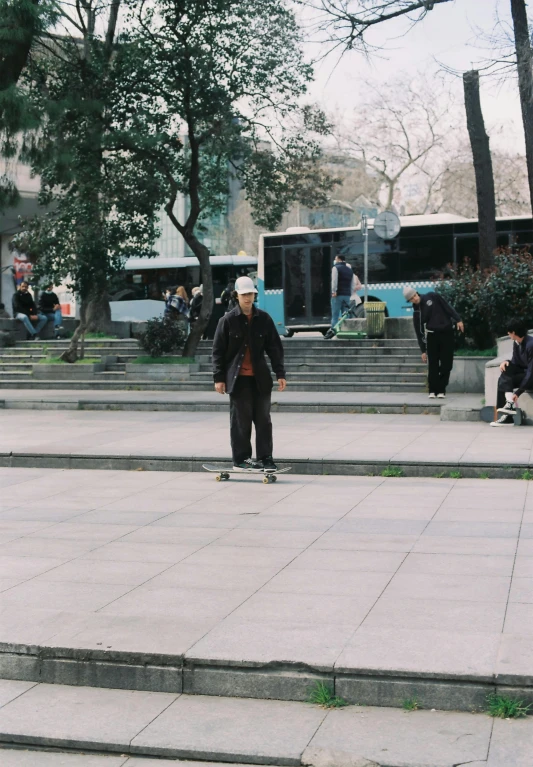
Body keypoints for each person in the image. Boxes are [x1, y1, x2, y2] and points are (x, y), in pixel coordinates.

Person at [212, 275, 286, 472]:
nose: (248, 298)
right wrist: (218, 378)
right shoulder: (227, 321)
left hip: (260, 379)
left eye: (251, 294)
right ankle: (241, 459)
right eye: (244, 294)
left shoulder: (264, 319)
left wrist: (280, 373)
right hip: (238, 381)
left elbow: (275, 348)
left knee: (263, 421)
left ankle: (266, 458)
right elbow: (217, 352)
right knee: (240, 422)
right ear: (237, 295)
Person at [403, 286, 464, 399]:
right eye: (411, 299)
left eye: (415, 296)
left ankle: (441, 389)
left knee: (447, 364)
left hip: (447, 333)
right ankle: (433, 390)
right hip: (432, 336)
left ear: (417, 293)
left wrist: (458, 319)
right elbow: (419, 331)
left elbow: (447, 306)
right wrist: (423, 350)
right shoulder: (417, 312)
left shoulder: (432, 296)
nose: (415, 299)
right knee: (433, 364)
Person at [490, 317, 533, 427]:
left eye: (509, 333)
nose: (509, 336)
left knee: (504, 379)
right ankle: (508, 408)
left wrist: (518, 392)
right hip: (525, 374)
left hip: (531, 376)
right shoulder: (517, 343)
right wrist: (506, 362)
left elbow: (531, 372)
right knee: (505, 373)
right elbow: (515, 362)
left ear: (513, 332)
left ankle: (509, 409)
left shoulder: (531, 345)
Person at [329, 254, 362, 331]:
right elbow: (352, 284)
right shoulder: (349, 270)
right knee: (345, 315)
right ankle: (345, 331)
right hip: (347, 295)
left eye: (335, 259)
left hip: (338, 295)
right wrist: (349, 293)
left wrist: (334, 291)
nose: (335, 260)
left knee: (335, 315)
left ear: (338, 259)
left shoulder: (335, 268)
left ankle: (334, 331)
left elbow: (334, 281)